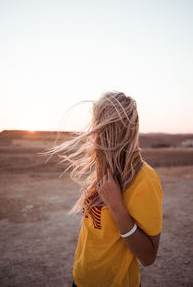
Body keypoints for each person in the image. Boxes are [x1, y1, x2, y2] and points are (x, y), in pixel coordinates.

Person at [44, 91, 163, 287]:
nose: (95, 132)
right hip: (81, 279)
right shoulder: (104, 168)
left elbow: (148, 256)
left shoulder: (145, 179)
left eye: (100, 124)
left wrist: (117, 207)